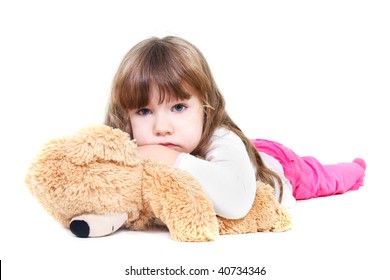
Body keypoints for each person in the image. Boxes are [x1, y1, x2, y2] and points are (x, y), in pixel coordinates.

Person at [69, 36, 366, 238]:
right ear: (126, 117)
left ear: (206, 106)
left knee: (323, 177)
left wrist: (172, 158)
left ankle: (356, 169)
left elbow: (237, 204)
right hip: (233, 159)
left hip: (275, 165)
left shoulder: (220, 138)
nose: (162, 127)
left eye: (179, 107)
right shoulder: (136, 148)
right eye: (144, 112)